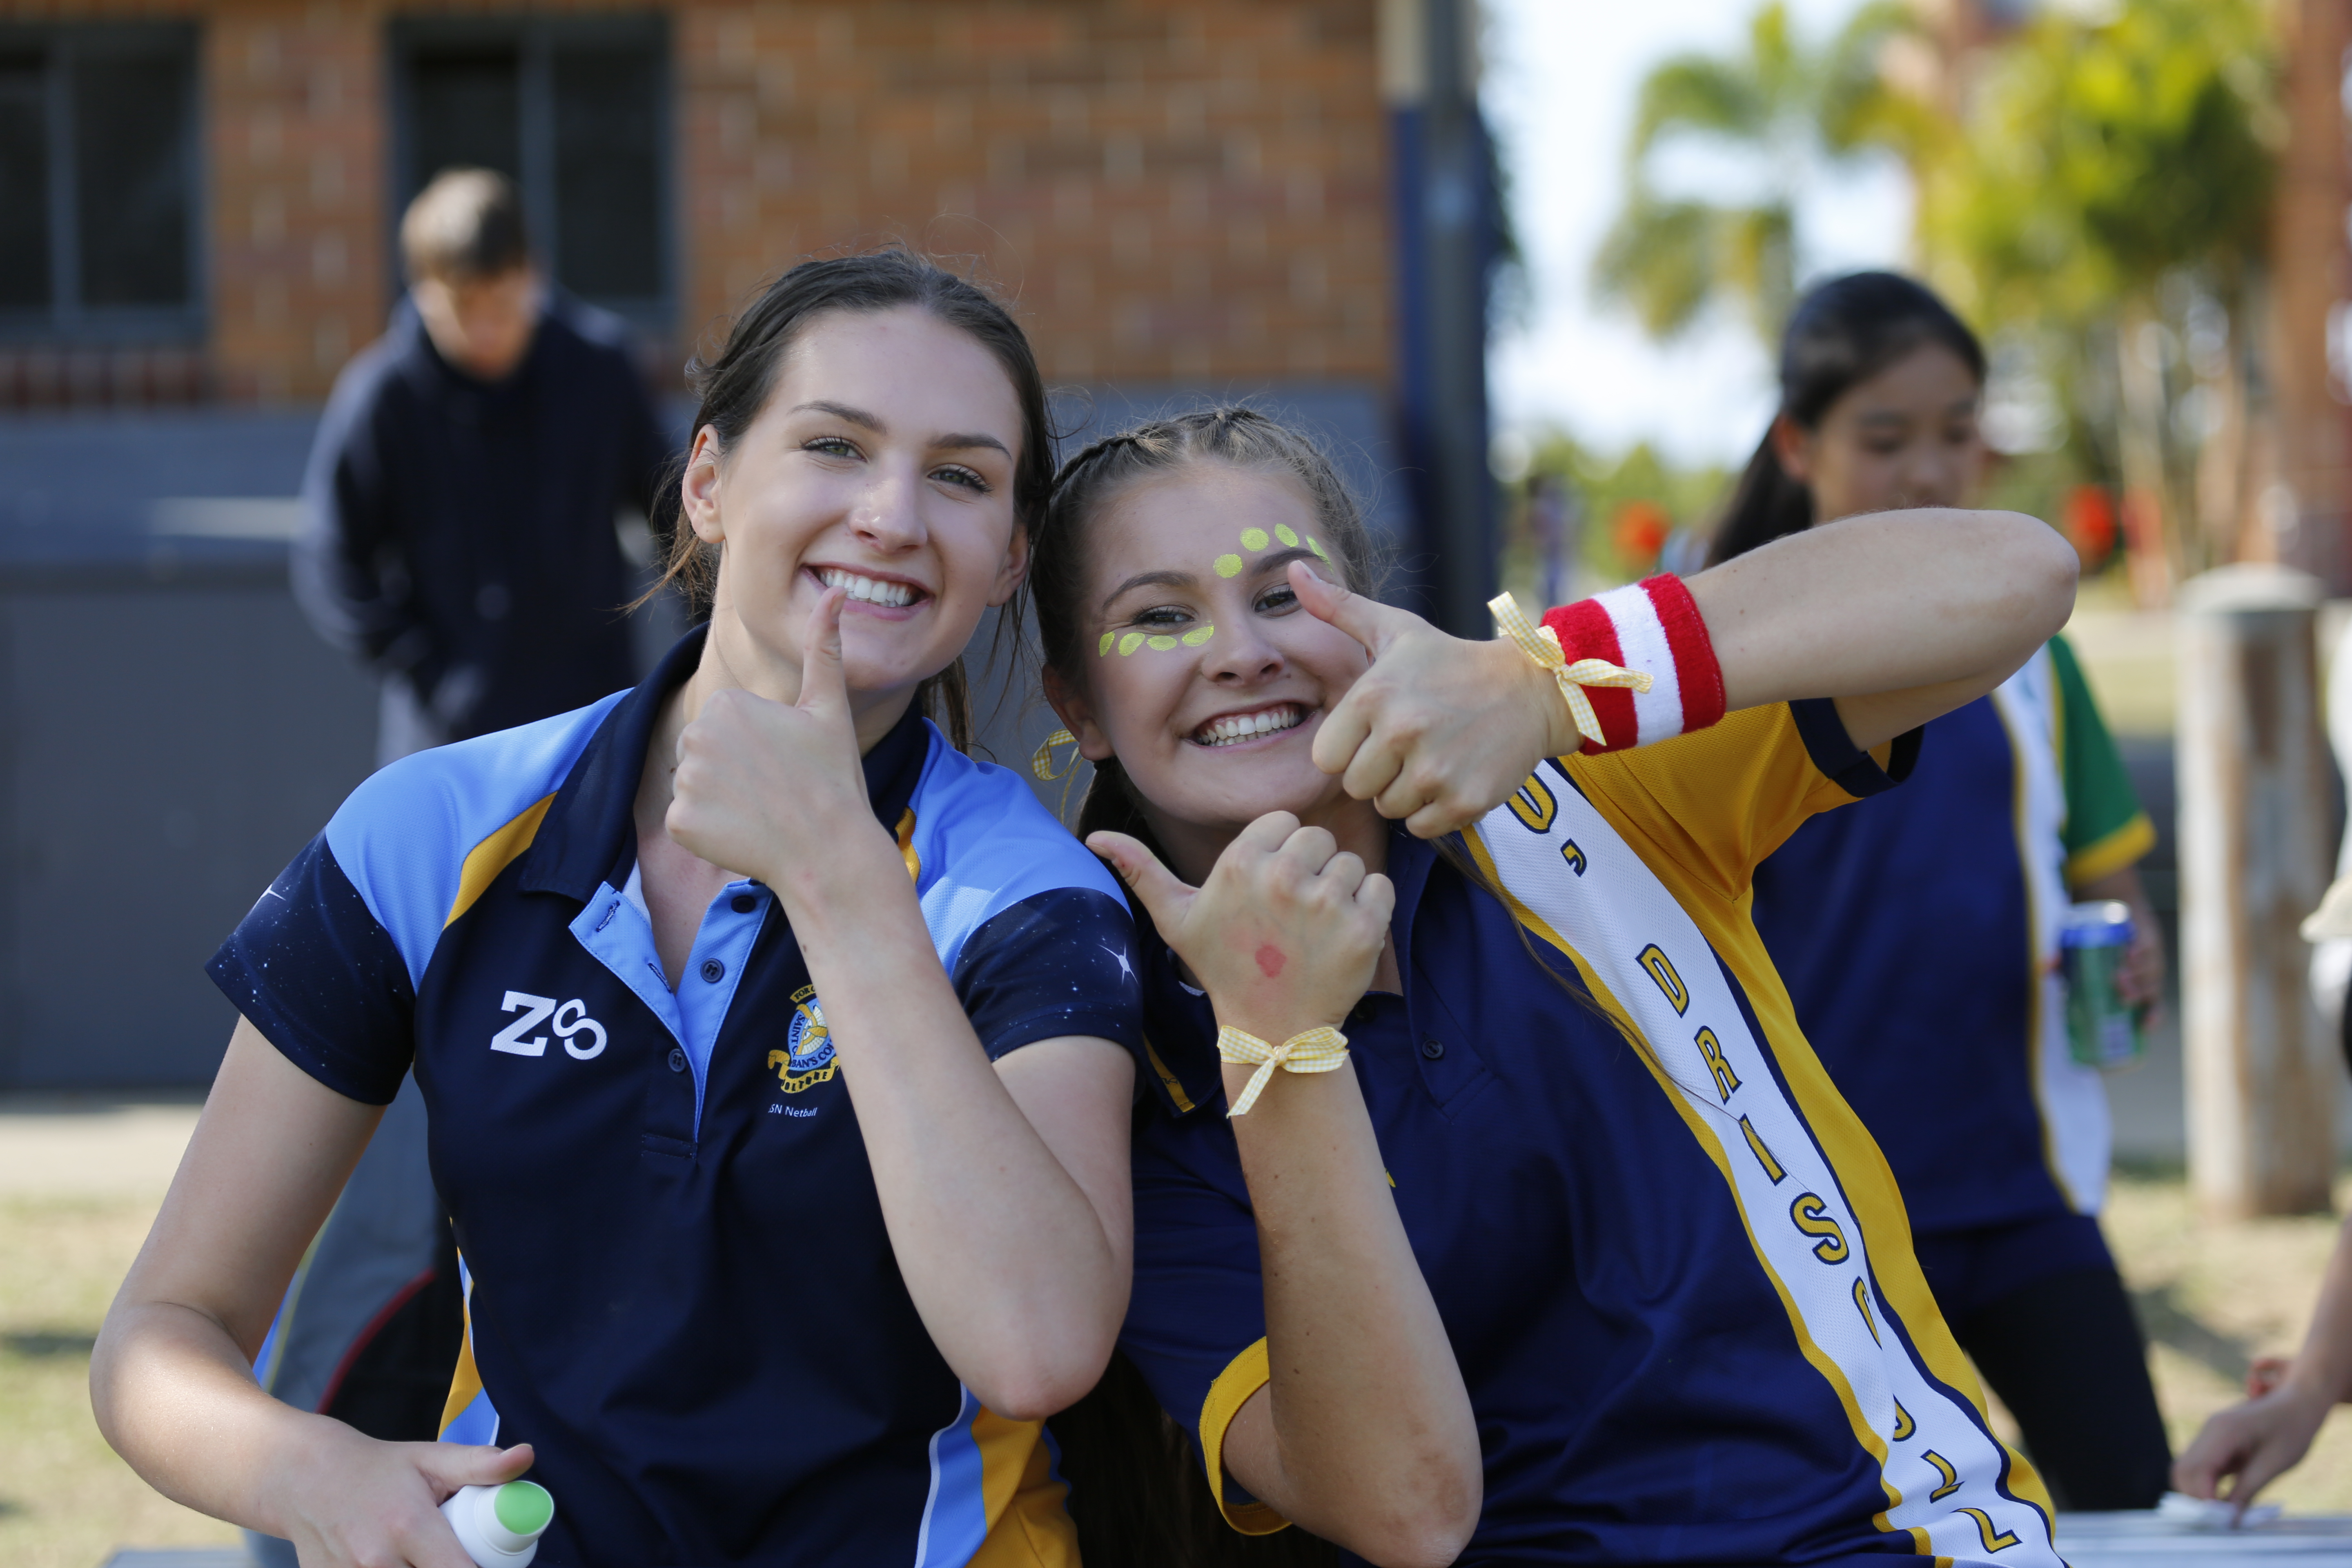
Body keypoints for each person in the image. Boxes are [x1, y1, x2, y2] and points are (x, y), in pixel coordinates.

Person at [91, 251, 1143, 1568]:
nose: (891, 514)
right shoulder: (431, 831)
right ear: (706, 484)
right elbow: (159, 1338)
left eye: (961, 476)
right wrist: (317, 1474)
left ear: (1008, 560)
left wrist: (836, 877)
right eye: (835, 445)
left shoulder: (1033, 893)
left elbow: (1038, 1344)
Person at [1029, 406, 2081, 1564]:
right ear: (1080, 709)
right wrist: (1281, 1044)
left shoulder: (1589, 779)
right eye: (1160, 617)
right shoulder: (1121, 1081)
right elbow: (1408, 1514)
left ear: (1375, 617)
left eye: (1283, 596)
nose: (1240, 650)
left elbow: (2015, 573)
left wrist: (1550, 684)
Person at [247, 170, 681, 1566]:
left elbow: (674, 506)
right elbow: (331, 555)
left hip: (592, 769)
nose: (478, 328)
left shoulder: (600, 371)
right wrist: (422, 658)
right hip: (449, 768)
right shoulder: (384, 392)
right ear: (421, 294)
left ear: (532, 281)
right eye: (453, 306)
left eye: (496, 303)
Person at [1716, 272, 2172, 1511]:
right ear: (1798, 445)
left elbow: (2111, 885)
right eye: (1886, 436)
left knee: (2131, 1493)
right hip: (1819, 1220)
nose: (1930, 466)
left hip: (2024, 1193)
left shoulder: (2038, 662)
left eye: (1958, 429)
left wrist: (2131, 950)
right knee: (1856, 1518)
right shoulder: (1726, 671)